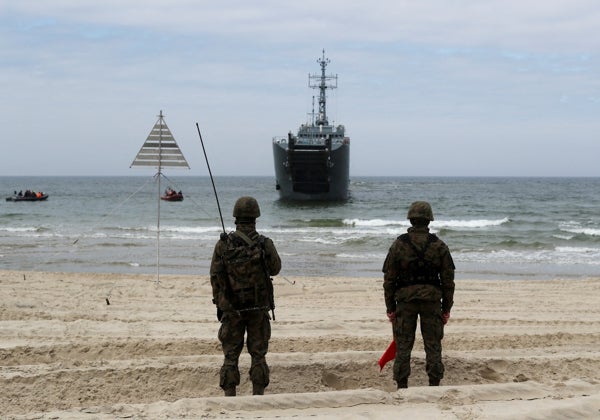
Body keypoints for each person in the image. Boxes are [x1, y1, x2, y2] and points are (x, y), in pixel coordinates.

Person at [210, 196, 281, 396]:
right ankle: (258, 395)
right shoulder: (264, 243)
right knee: (258, 355)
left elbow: (215, 276)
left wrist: (222, 304)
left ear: (236, 218)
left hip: (232, 310)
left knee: (230, 356)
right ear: (255, 218)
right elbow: (275, 268)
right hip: (258, 309)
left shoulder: (223, 245)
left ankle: (230, 396)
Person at [382, 201, 455, 389]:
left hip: (405, 302)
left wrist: (390, 308)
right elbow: (448, 282)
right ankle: (434, 384)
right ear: (429, 220)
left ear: (411, 219)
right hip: (431, 301)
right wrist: (446, 309)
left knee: (403, 345)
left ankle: (402, 385)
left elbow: (389, 280)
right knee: (433, 345)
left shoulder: (398, 245)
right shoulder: (439, 246)